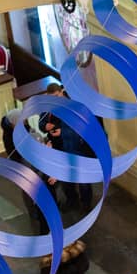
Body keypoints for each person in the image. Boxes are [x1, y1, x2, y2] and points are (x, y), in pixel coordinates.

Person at [41, 83, 98, 213]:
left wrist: (63, 133)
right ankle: (71, 199)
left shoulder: (74, 106)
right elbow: (41, 121)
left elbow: (82, 129)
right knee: (65, 176)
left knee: (82, 177)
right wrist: (45, 126)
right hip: (58, 147)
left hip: (76, 148)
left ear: (62, 91)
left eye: (57, 96)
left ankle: (86, 203)